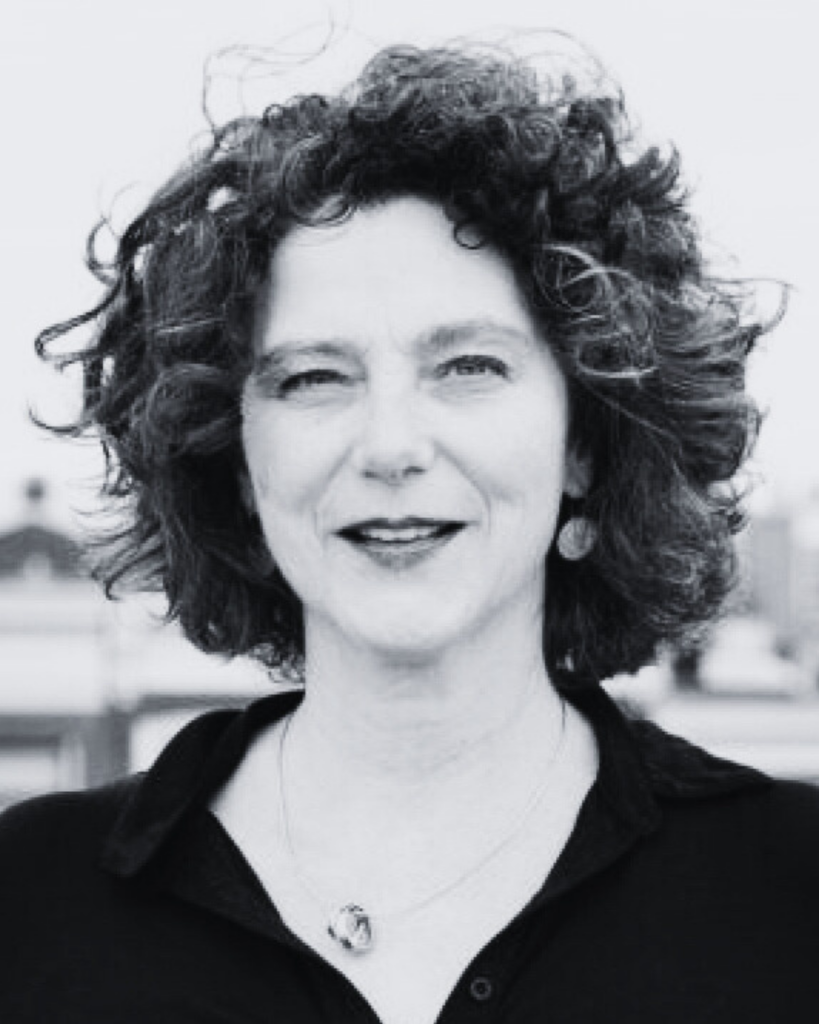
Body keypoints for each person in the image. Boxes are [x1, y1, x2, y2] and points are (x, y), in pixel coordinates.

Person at [2, 35, 817, 1024]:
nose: (390, 445)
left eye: (468, 366)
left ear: (584, 444)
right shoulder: (29, 901)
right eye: (314, 377)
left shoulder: (789, 894)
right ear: (238, 463)